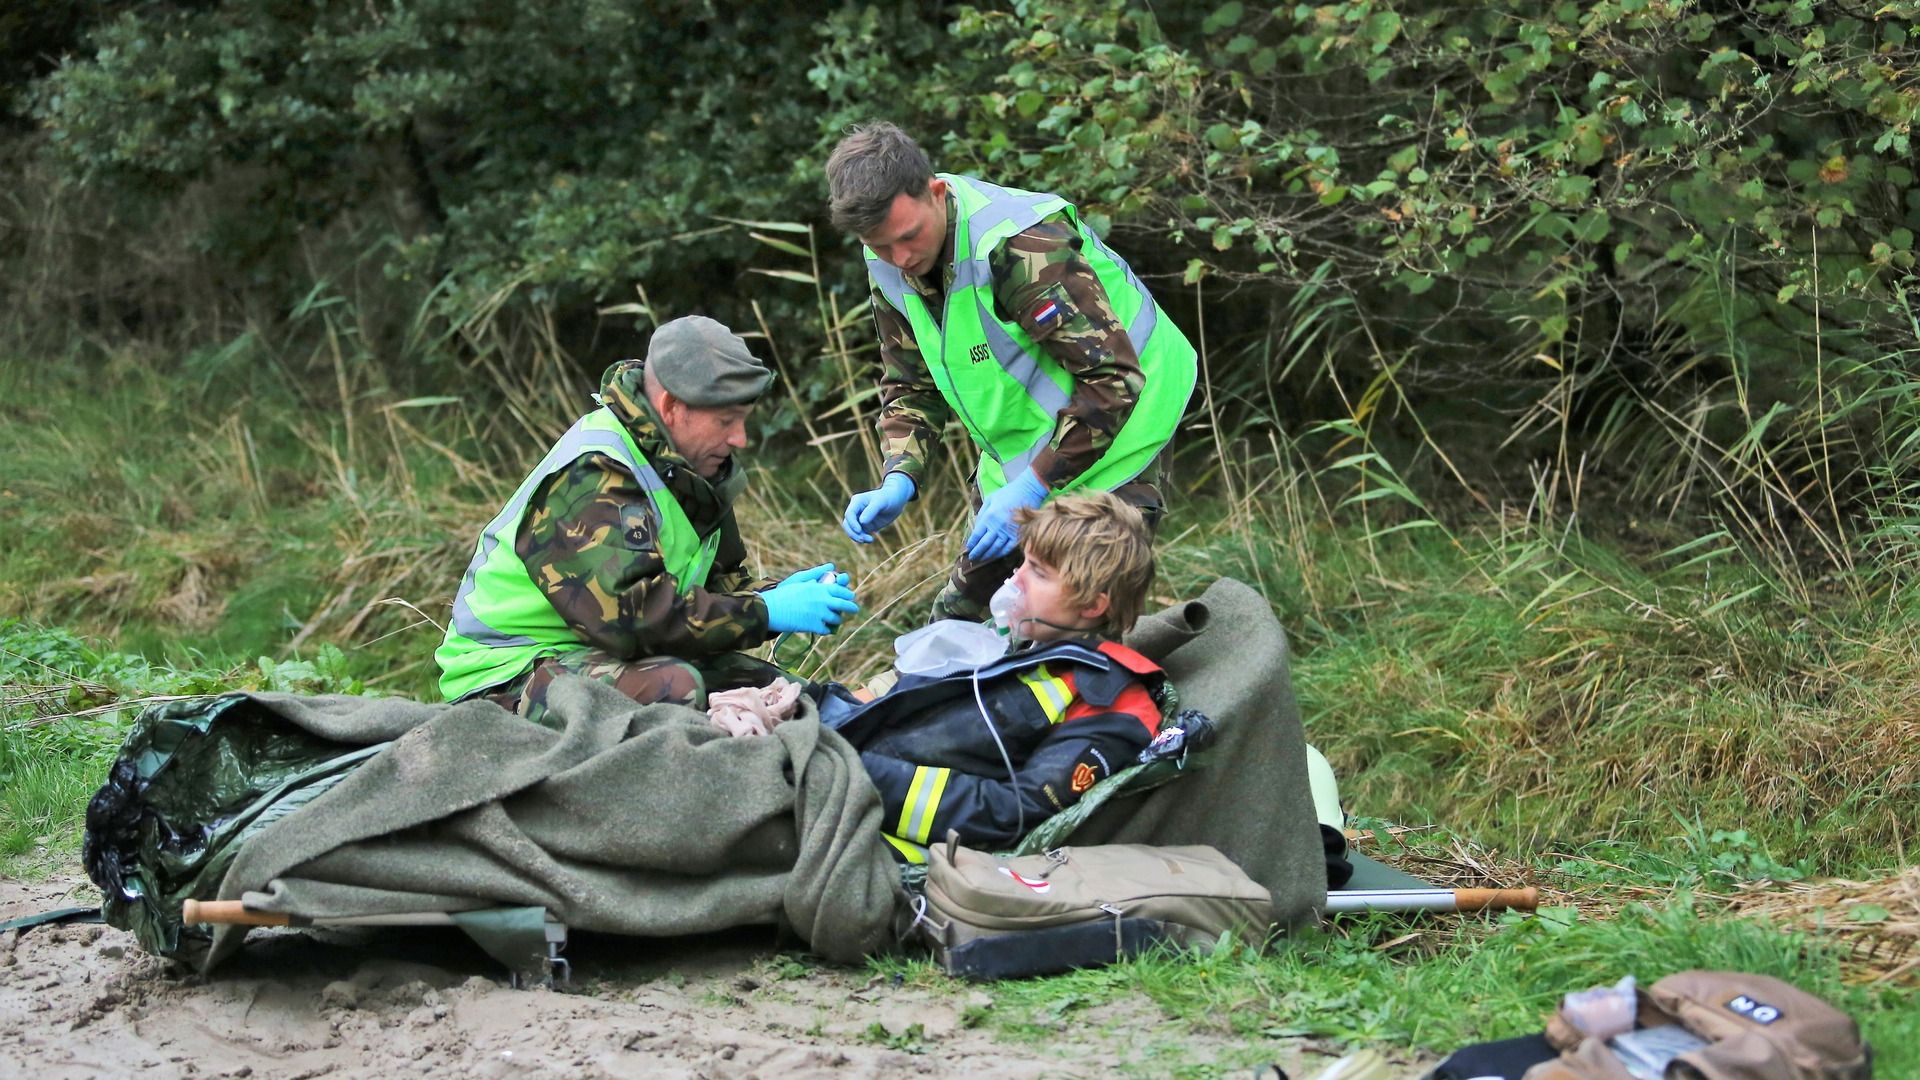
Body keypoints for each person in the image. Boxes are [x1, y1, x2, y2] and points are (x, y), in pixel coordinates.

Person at [825, 121, 1197, 624]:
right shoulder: (888, 258)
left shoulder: (1022, 245)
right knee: (958, 624)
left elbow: (1113, 379)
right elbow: (910, 381)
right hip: (1023, 465)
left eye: (909, 237)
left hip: (1125, 431)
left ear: (936, 192)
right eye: (880, 245)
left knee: (1072, 622)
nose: (901, 259)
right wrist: (899, 475)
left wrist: (1033, 488)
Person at [434, 315, 859, 723]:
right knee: (676, 690)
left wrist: (777, 593)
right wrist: (765, 612)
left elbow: (716, 586)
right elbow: (630, 621)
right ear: (671, 407)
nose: (740, 439)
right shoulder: (593, 471)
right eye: (726, 421)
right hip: (506, 674)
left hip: (600, 652)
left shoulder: (693, 471)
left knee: (785, 694)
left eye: (744, 420)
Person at [821, 491, 1171, 863]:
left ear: (1092, 604)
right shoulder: (1014, 644)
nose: (1014, 580)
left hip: (880, 838)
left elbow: (1009, 813)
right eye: (1022, 563)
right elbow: (898, 701)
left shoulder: (1109, 699)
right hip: (836, 768)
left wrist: (848, 773)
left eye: (1038, 571)